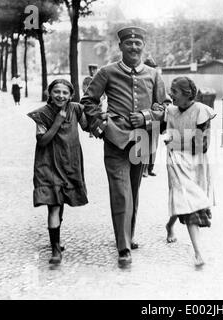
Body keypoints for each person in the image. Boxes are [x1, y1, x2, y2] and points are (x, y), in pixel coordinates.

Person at [80, 26, 168, 267]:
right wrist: (100, 125)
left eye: (138, 44)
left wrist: (147, 116)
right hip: (115, 139)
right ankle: (123, 247)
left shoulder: (153, 74)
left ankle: (127, 235)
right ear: (120, 46)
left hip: (141, 140)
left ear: (143, 46)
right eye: (128, 44)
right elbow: (87, 101)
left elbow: (163, 105)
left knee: (133, 190)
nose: (133, 47)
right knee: (120, 192)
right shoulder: (107, 72)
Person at [27, 79, 88, 264]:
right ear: (49, 93)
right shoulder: (42, 114)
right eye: (56, 92)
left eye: (65, 93)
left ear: (71, 95)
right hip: (48, 164)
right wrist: (58, 121)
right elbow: (42, 140)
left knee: (60, 202)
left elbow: (86, 126)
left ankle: (57, 240)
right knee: (53, 204)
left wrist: (97, 112)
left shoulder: (76, 109)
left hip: (69, 162)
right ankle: (55, 250)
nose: (60, 96)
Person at [163, 77, 216, 266]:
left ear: (187, 94)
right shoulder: (169, 111)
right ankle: (198, 253)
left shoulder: (201, 111)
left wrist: (173, 140)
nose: (171, 95)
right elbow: (160, 130)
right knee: (188, 202)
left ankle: (170, 225)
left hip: (196, 163)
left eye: (174, 92)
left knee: (185, 202)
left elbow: (200, 145)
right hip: (176, 161)